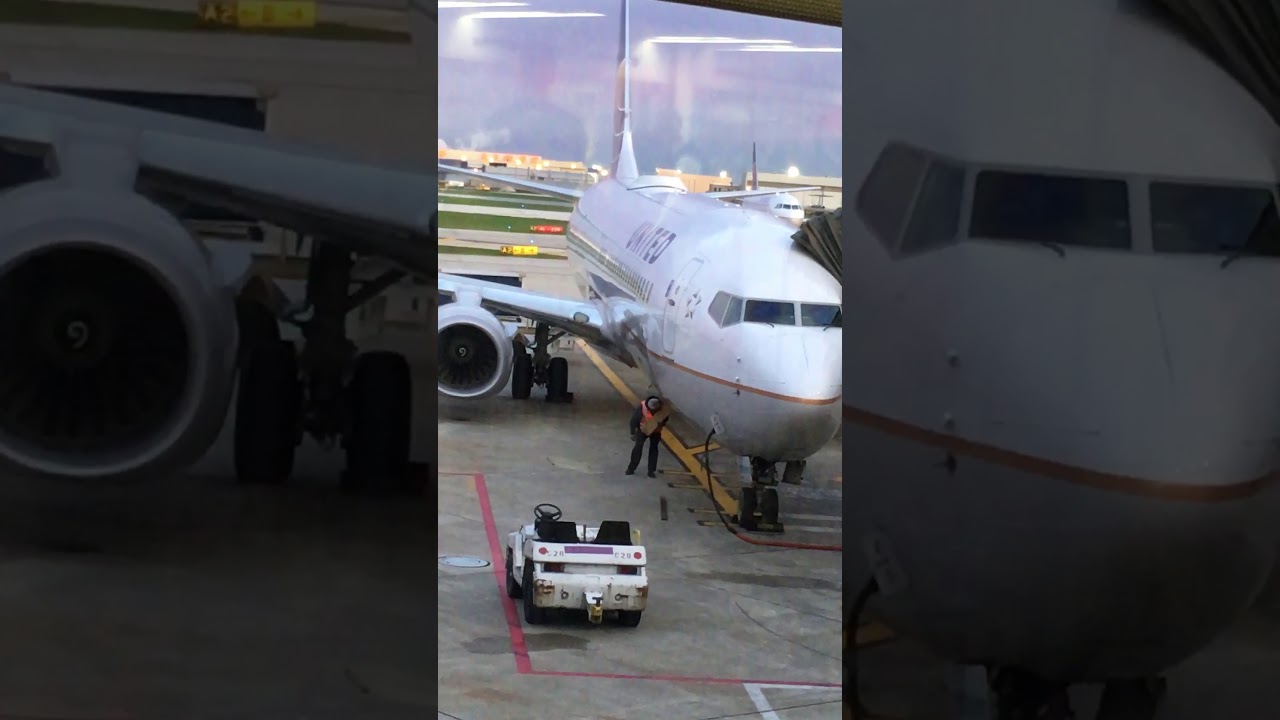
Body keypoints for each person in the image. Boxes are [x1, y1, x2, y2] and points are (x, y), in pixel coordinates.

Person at [626, 395, 668, 478]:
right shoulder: (642, 408)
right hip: (643, 430)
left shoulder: (662, 408)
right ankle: (631, 468)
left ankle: (651, 471)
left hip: (655, 431)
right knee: (638, 448)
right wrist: (633, 432)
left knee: (654, 450)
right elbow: (634, 420)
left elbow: (665, 419)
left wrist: (659, 425)